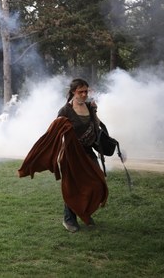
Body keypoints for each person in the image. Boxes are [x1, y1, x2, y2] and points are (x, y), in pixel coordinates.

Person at [17, 78, 108, 233]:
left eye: (86, 91)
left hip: (88, 152)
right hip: (72, 154)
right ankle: (69, 219)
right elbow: (55, 133)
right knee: (74, 187)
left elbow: (97, 125)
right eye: (81, 91)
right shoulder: (65, 111)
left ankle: (84, 212)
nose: (85, 94)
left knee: (97, 183)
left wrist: (95, 112)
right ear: (73, 92)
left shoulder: (89, 106)